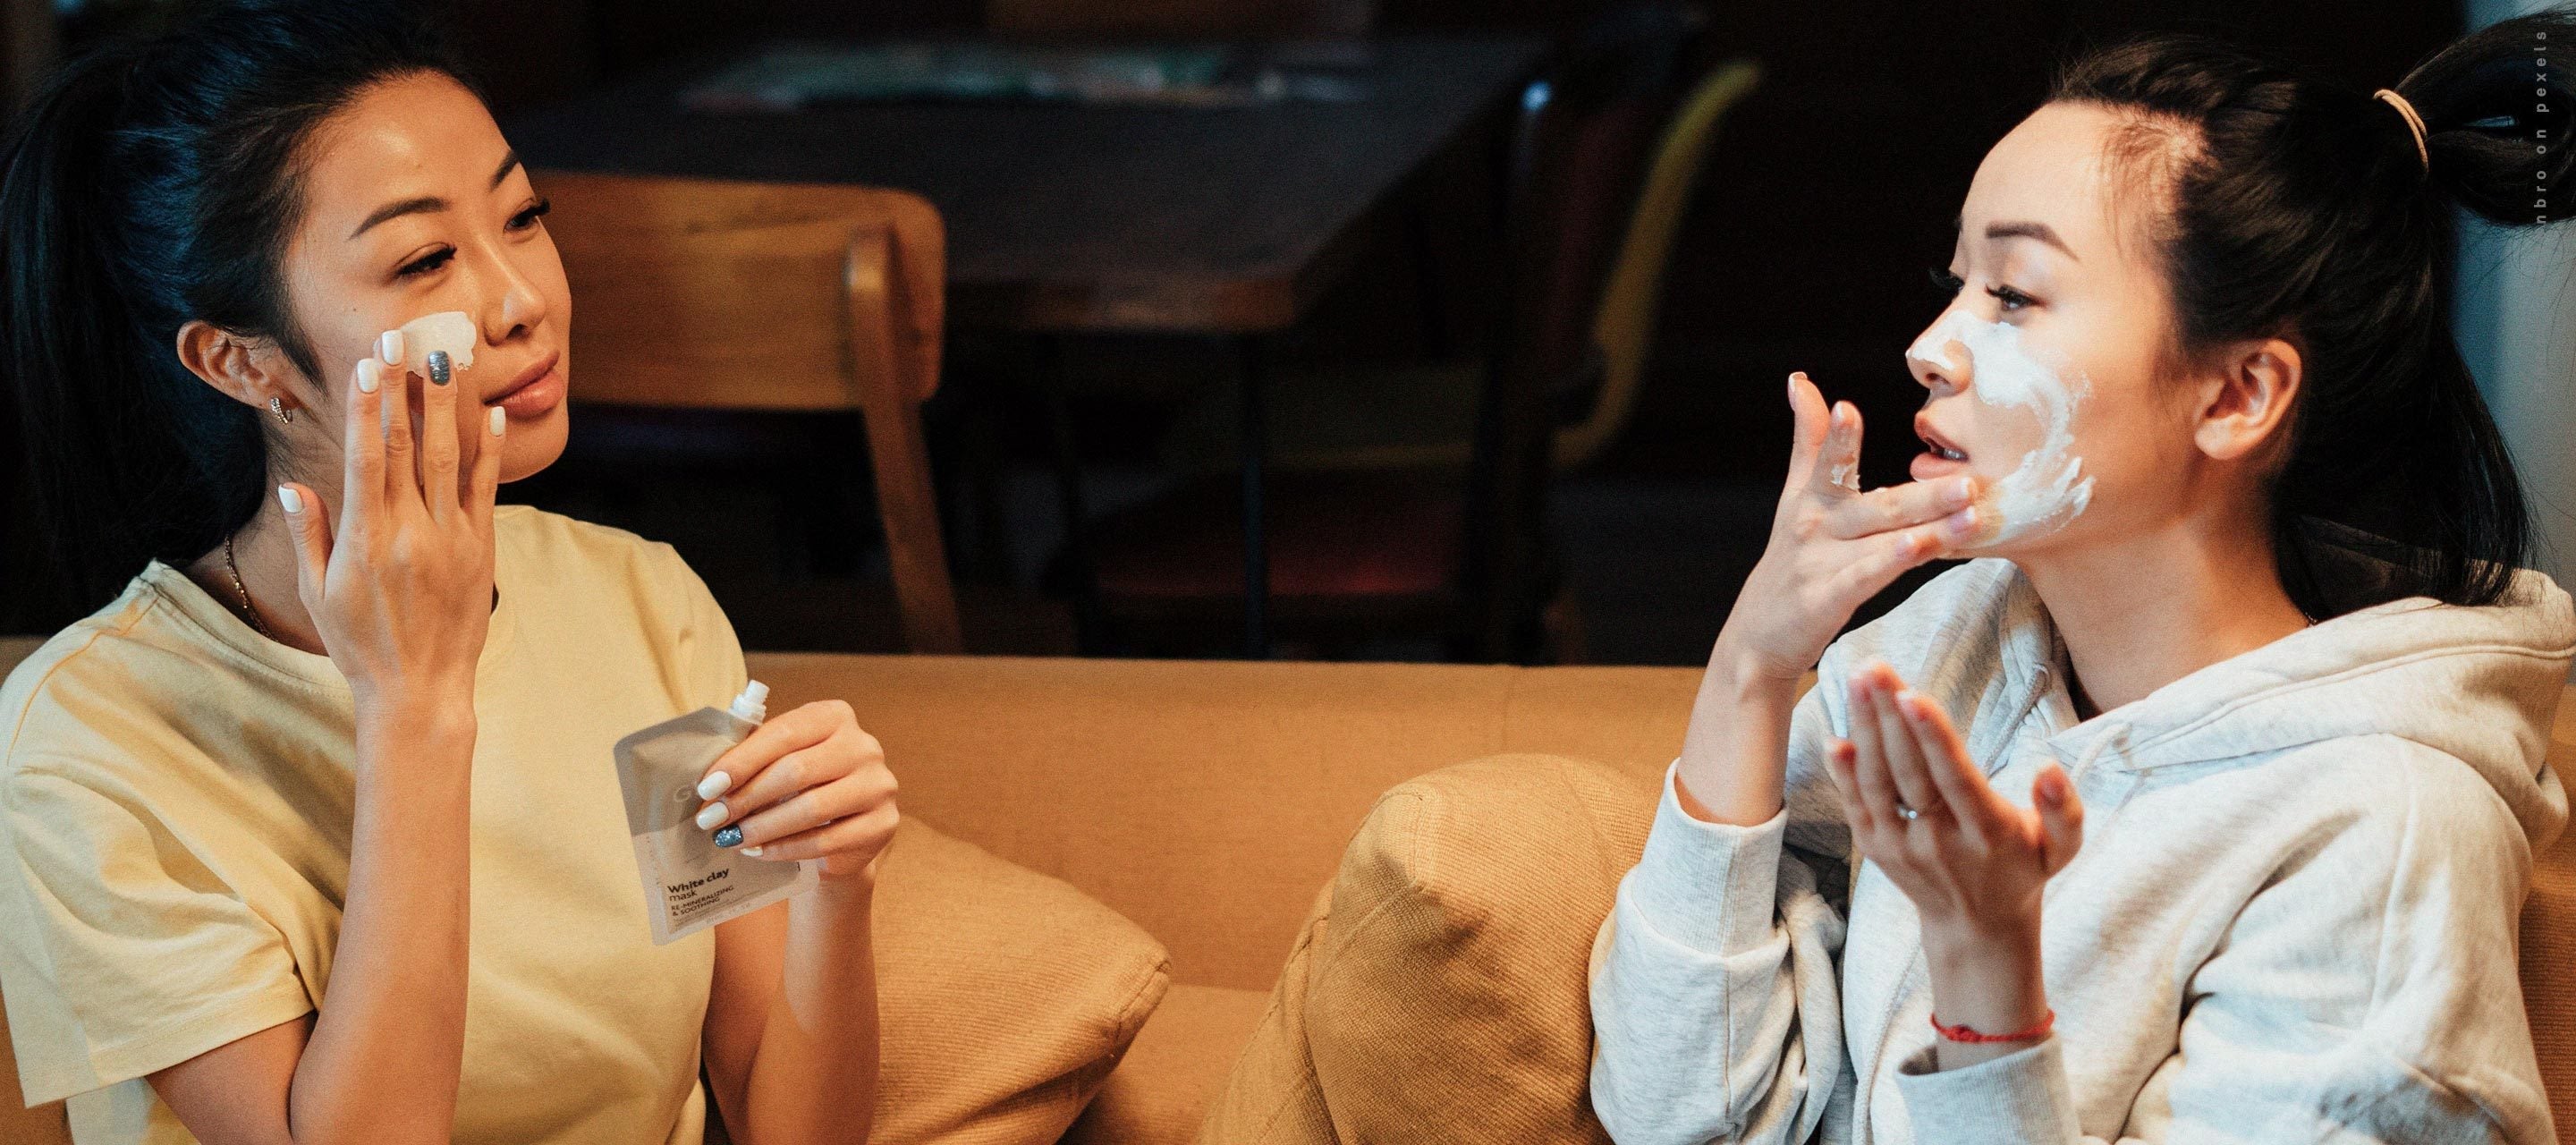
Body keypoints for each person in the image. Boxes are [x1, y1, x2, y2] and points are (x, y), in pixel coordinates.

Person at [1587, 13, 2576, 1144]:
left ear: (2237, 396)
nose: (1930, 344)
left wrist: (1987, 992)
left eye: (2012, 295)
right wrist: (1752, 666)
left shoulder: (2385, 834)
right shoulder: (1951, 646)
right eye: (1955, 279)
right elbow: (1674, 1115)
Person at [0, 4, 898, 1141]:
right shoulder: (84, 744)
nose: (524, 299)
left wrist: (837, 887)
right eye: (424, 257)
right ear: (242, 360)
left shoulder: (637, 601)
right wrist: (412, 700)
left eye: (524, 218)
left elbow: (789, 1123)